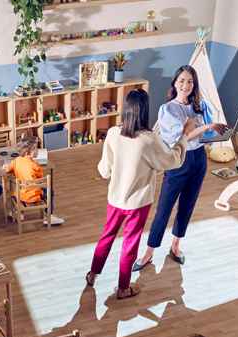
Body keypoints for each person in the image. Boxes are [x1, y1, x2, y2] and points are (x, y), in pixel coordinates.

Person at [88, 88, 224, 299]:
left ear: (126, 109)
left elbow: (104, 170)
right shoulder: (149, 139)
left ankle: (93, 273)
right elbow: (173, 160)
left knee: (106, 237)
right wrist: (186, 135)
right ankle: (123, 288)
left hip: (115, 199)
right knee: (129, 244)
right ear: (144, 111)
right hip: (138, 203)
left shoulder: (114, 134)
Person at [135, 65, 226, 270]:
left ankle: (176, 246)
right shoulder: (168, 109)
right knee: (164, 208)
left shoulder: (199, 106)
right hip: (178, 160)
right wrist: (206, 127)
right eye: (182, 81)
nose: (186, 85)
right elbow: (180, 137)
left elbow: (199, 135)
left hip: (199, 159)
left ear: (194, 85)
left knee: (188, 204)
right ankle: (149, 252)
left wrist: (212, 133)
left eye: (190, 81)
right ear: (175, 83)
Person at [2, 135, 65, 225]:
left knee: (14, 190)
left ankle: (19, 213)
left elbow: (7, 169)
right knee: (50, 192)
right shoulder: (35, 165)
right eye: (36, 148)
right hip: (34, 196)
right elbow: (40, 179)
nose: (38, 150)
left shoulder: (16, 160)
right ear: (30, 152)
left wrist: (6, 167)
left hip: (20, 195)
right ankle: (48, 216)